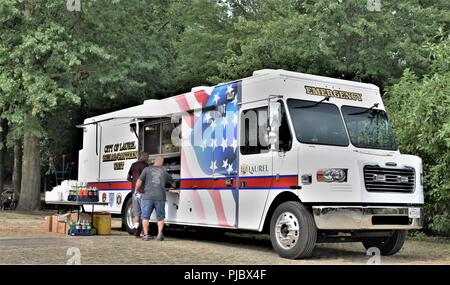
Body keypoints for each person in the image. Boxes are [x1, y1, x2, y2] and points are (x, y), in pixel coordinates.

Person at [135, 156, 172, 241]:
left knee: (145, 217)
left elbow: (139, 181)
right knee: (160, 217)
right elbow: (171, 181)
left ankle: (146, 235)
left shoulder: (147, 169)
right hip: (160, 197)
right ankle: (159, 234)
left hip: (148, 197)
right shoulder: (164, 171)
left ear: (155, 161)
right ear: (161, 162)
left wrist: (136, 190)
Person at [127, 152, 149, 237]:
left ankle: (136, 230)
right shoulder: (146, 165)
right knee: (144, 212)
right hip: (143, 192)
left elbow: (128, 177)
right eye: (147, 156)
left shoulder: (133, 165)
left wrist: (133, 183)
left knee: (136, 213)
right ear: (144, 157)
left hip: (134, 192)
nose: (147, 158)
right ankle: (144, 231)